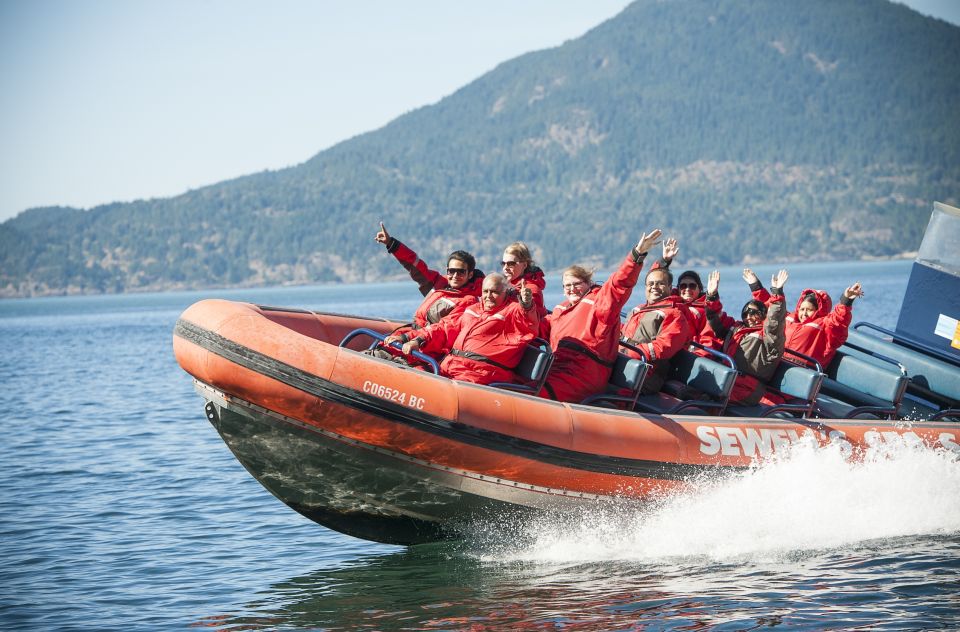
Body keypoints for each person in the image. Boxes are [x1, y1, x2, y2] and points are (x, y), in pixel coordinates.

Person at [538, 229, 663, 403]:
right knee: (525, 385)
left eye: (576, 284)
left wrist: (636, 255)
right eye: (567, 286)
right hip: (556, 368)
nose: (571, 289)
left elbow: (618, 286)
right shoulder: (560, 310)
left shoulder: (599, 304)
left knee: (540, 393)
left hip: (582, 375)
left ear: (589, 283)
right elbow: (536, 326)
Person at [391, 274, 539, 386]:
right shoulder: (472, 309)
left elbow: (528, 323)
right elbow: (445, 328)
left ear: (506, 292)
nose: (488, 296)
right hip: (450, 366)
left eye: (494, 292)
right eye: (485, 291)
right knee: (410, 374)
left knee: (436, 388)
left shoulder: (513, 311)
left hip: (479, 373)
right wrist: (413, 339)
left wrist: (527, 305)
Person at [371, 222, 484, 363]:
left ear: (470, 274)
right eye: (451, 271)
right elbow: (415, 265)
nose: (455, 275)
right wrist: (392, 244)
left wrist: (409, 338)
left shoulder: (469, 302)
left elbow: (443, 329)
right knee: (373, 355)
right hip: (407, 337)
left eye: (461, 272)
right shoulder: (439, 284)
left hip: (425, 347)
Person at [705, 268, 789, 406]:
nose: (748, 316)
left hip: (748, 387)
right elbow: (715, 318)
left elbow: (774, 322)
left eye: (753, 312)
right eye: (745, 312)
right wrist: (712, 296)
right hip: (728, 378)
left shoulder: (768, 337)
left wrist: (777, 294)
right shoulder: (736, 328)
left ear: (763, 314)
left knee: (713, 397)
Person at [621, 264, 696, 394]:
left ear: (669, 287)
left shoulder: (675, 314)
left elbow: (663, 347)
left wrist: (630, 352)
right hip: (623, 360)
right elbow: (623, 333)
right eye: (650, 284)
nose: (654, 287)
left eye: (660, 283)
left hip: (647, 372)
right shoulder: (638, 310)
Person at [654, 237, 728, 353]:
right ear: (677, 289)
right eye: (683, 286)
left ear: (700, 289)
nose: (687, 289)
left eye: (692, 286)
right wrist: (664, 261)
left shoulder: (705, 310)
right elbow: (655, 282)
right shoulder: (669, 301)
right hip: (660, 346)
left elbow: (709, 336)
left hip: (686, 354)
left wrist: (712, 295)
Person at [783, 283, 864, 368]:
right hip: (781, 364)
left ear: (819, 311)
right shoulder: (789, 319)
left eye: (809, 310)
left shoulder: (826, 326)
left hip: (805, 370)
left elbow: (838, 321)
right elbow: (773, 310)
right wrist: (777, 290)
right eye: (802, 309)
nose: (804, 313)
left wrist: (846, 300)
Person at [500, 241, 548, 322]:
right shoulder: (505, 285)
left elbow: (532, 321)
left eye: (511, 264)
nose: (505, 268)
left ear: (525, 265)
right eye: (503, 263)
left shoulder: (532, 289)